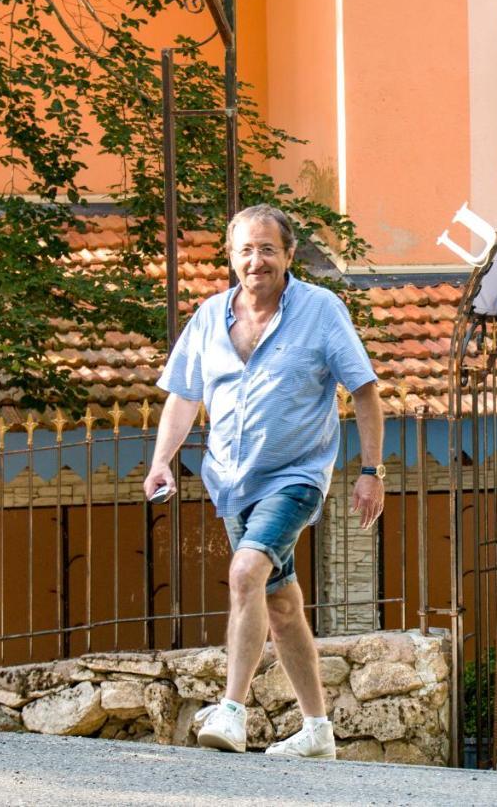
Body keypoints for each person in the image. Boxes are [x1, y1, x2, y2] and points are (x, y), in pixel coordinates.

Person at [144, 204, 384, 760]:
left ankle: (232, 711)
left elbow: (365, 392)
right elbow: (184, 395)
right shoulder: (208, 317)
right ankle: (318, 729)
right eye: (246, 250)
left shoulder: (321, 311)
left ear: (289, 255)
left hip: (296, 477)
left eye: (268, 249)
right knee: (280, 604)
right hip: (230, 481)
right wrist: (161, 461)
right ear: (231, 257)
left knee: (246, 571)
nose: (257, 261)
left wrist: (371, 471)